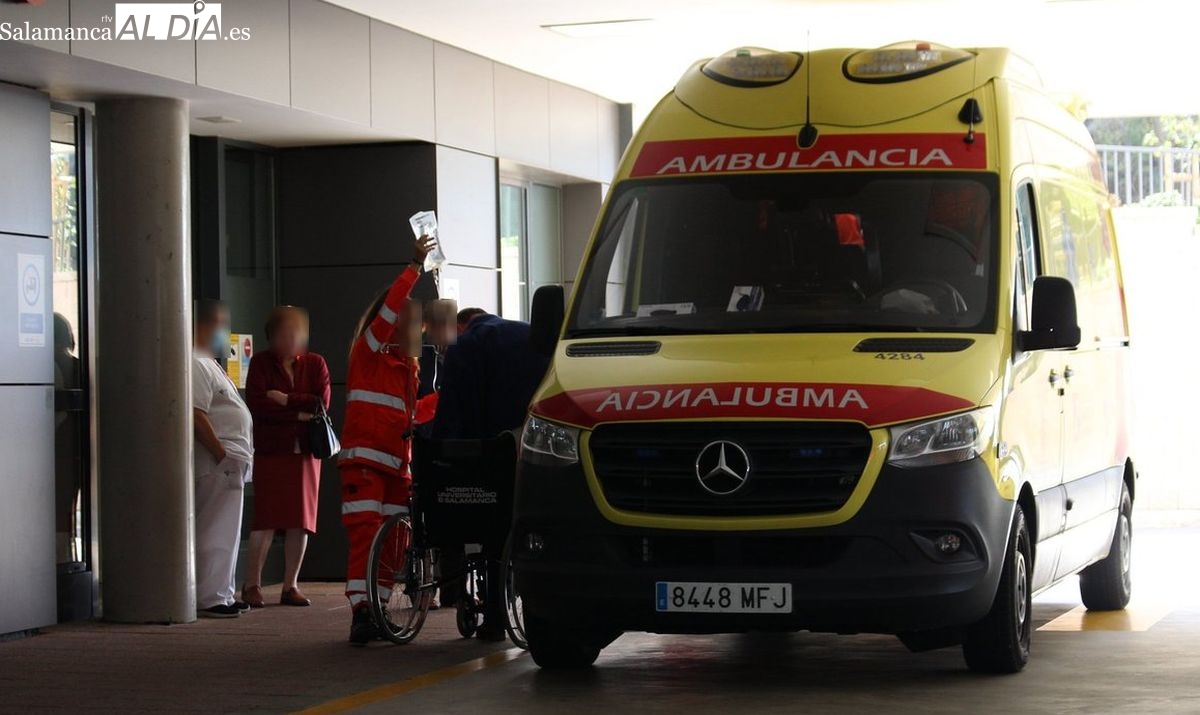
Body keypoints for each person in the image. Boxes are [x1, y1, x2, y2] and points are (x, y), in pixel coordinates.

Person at [339, 234, 436, 645]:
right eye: (411, 319)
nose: (418, 327)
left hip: (397, 465)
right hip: (365, 459)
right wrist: (414, 266)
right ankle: (362, 611)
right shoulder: (370, 349)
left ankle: (378, 609)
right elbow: (393, 305)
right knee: (365, 532)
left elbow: (417, 415)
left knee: (396, 542)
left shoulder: (407, 369)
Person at [433, 308, 551, 640]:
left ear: (460, 325)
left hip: (494, 447)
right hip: (536, 440)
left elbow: (453, 412)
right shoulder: (529, 331)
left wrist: (445, 454)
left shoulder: (468, 342)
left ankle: (493, 617)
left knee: (489, 526)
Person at [241, 306, 331, 608]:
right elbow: (257, 405)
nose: (292, 338)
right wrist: (299, 414)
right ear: (272, 336)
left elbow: (322, 404)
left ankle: (290, 585)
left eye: (298, 332)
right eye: (285, 333)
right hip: (271, 451)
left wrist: (286, 400)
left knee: (300, 521)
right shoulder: (261, 364)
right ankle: (252, 584)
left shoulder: (316, 363)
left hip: (306, 452)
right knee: (266, 518)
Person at [192, 299, 254, 618]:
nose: (224, 332)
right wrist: (220, 454)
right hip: (217, 463)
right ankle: (210, 595)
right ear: (202, 325)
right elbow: (196, 413)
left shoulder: (210, 362)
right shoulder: (195, 362)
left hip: (229, 463)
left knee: (227, 530)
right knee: (215, 529)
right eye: (220, 323)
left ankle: (224, 591)